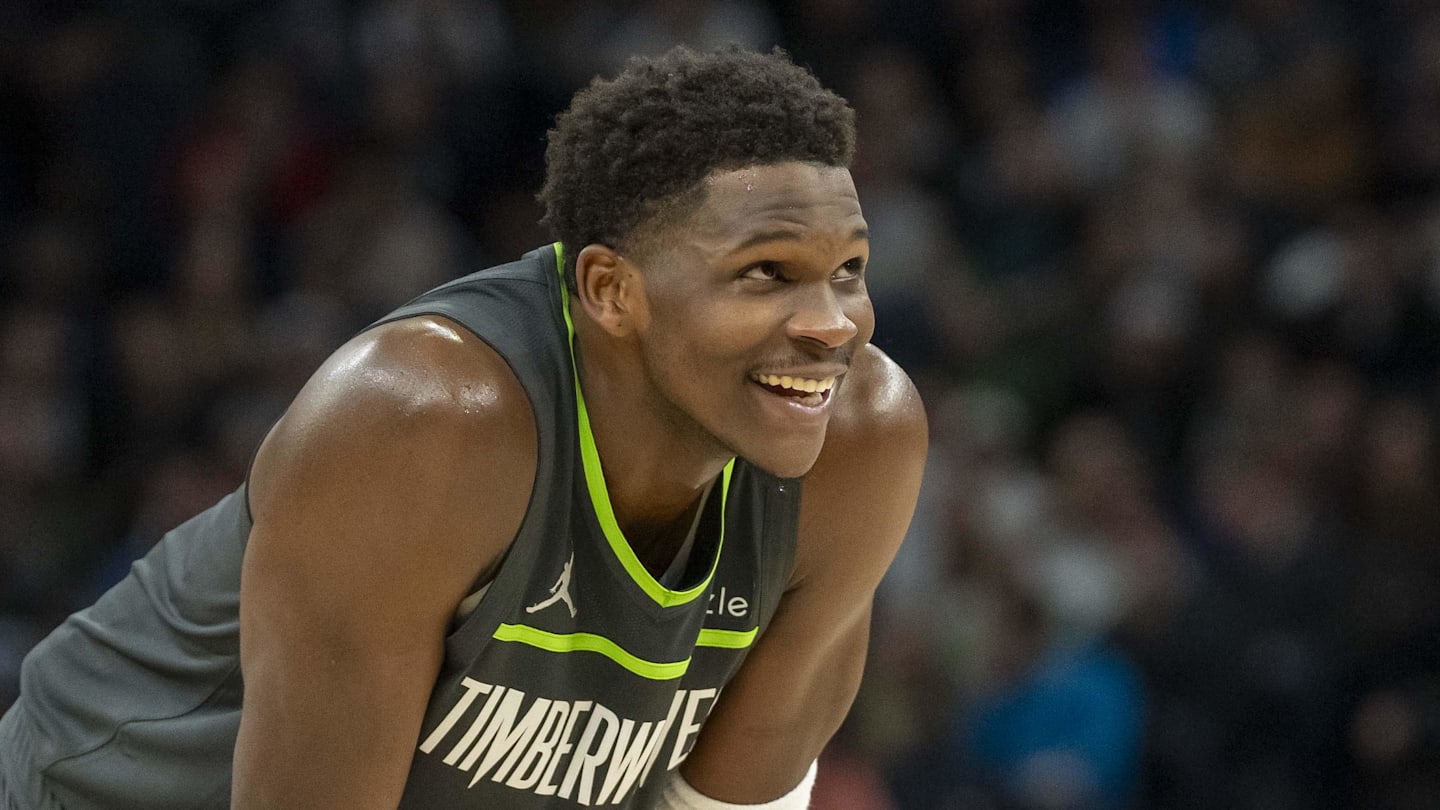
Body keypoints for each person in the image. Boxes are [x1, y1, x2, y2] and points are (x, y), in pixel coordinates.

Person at [0, 45, 927, 809]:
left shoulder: (861, 442)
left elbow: (728, 801)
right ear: (611, 291)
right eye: (766, 273)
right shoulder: (423, 424)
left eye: (847, 268)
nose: (832, 323)